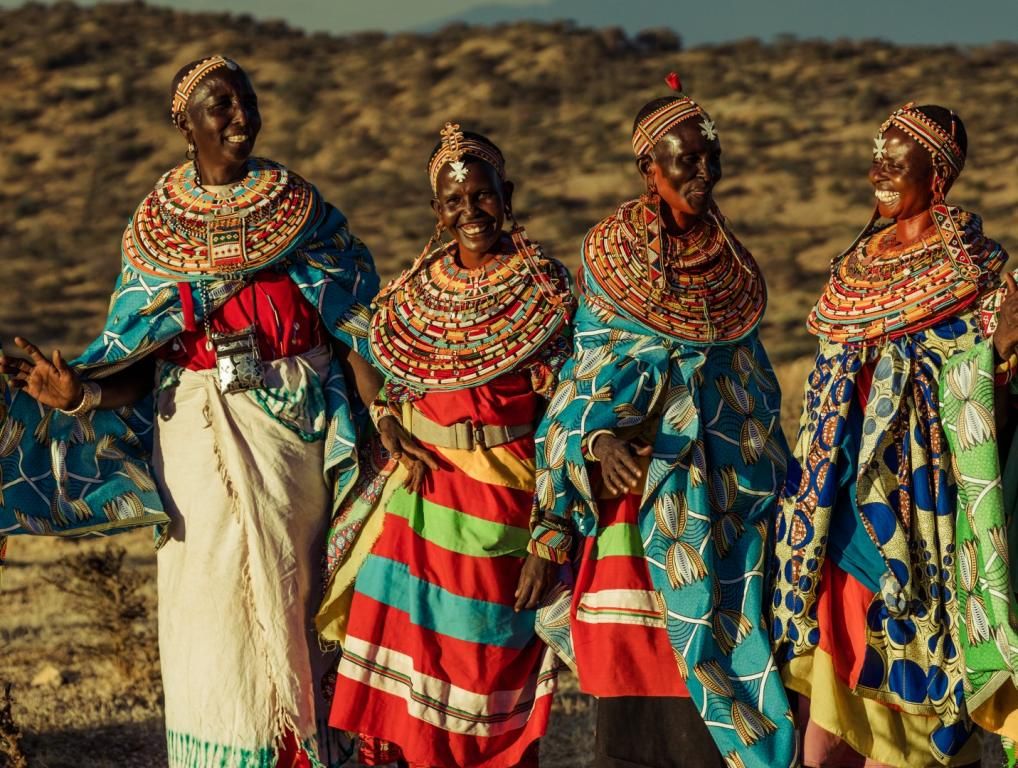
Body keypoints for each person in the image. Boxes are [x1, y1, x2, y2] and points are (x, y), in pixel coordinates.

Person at [0, 56, 380, 768]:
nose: (240, 116)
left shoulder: (301, 212)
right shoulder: (156, 233)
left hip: (298, 448)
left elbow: (359, 327)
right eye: (220, 105)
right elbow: (135, 364)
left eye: (248, 100)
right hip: (196, 450)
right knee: (213, 619)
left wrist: (385, 421)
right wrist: (77, 394)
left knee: (306, 605)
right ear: (185, 123)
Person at [527, 74, 796, 768]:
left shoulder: (731, 273)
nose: (703, 171)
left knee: (715, 685)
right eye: (687, 160)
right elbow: (583, 381)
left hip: (726, 510)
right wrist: (600, 438)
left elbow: (752, 395)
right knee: (637, 704)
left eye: (712, 157)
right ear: (649, 171)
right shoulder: (611, 265)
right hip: (633, 513)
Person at [316, 124, 575, 768]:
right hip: (419, 509)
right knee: (397, 693)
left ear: (506, 195)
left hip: (503, 513)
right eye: (454, 203)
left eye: (482, 196)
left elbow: (566, 420)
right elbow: (368, 355)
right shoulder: (415, 291)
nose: (471, 212)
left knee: (485, 691)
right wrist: (388, 421)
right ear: (438, 211)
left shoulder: (544, 289)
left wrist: (550, 537)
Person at [771, 102, 1008, 767]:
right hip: (843, 516)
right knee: (843, 684)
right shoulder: (854, 268)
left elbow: (979, 385)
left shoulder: (975, 275)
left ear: (938, 178)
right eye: (877, 157)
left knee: (920, 689)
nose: (879, 172)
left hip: (926, 518)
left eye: (896, 163)